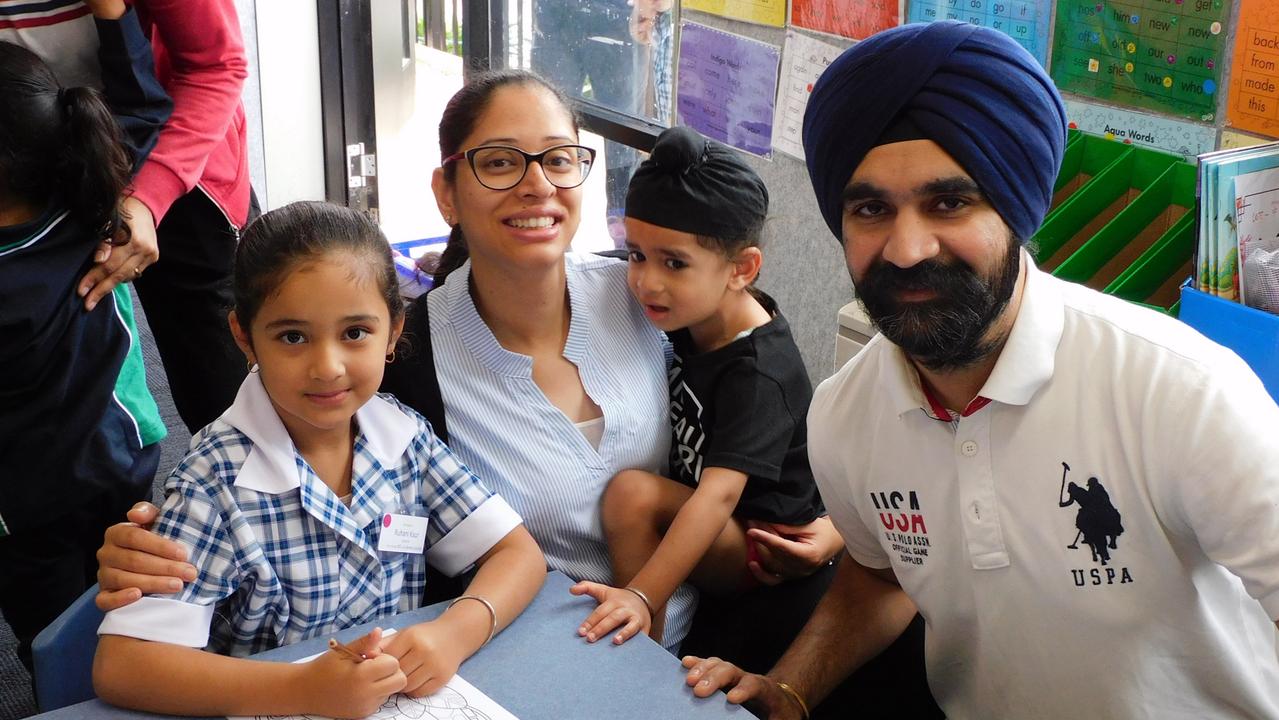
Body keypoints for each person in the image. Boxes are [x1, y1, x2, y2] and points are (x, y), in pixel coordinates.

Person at [93, 70, 846, 656]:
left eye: (559, 159)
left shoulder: (650, 292)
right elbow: (283, 442)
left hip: (704, 635)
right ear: (445, 193)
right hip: (529, 650)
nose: (537, 185)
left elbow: (771, 396)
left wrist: (839, 523)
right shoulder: (400, 350)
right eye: (498, 162)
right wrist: (162, 540)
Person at [683, 20, 1279, 719]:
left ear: (1017, 208)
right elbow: (878, 577)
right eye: (870, 208)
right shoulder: (844, 416)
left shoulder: (1180, 391)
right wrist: (789, 688)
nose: (906, 249)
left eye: (949, 202)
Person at [92, 202, 545, 717]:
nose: (327, 368)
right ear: (245, 337)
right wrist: (303, 689)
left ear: (393, 331)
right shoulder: (213, 480)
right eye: (293, 337)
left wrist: (455, 633)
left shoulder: (404, 437)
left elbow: (518, 554)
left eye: (355, 333)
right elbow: (124, 665)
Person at [570, 126, 825, 646]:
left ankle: (644, 656)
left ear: (742, 269)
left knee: (631, 494)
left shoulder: (758, 371)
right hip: (721, 519)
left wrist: (639, 595)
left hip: (760, 546)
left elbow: (717, 498)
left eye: (674, 263)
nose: (646, 281)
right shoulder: (694, 306)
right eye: (637, 254)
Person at [1, 0, 256, 433]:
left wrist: (147, 198)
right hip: (24, 175)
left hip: (170, 159)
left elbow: (214, 66)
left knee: (227, 388)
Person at [0, 40, 168, 674]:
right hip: (124, 458)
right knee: (135, 607)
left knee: (58, 644)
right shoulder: (97, 207)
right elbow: (147, 107)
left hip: (25, 507)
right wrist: (113, 17)